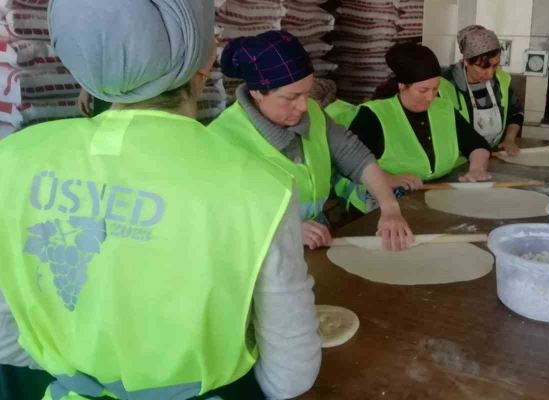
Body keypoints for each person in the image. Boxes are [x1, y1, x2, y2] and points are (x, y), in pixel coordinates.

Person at [0, 1, 320, 399]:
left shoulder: (12, 161)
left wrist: (87, 371)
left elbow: (5, 336)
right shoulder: (261, 187)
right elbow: (290, 374)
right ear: (203, 64)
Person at [209, 31, 413, 251]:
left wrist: (390, 207)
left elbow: (355, 156)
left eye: (306, 94)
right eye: (291, 97)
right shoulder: (222, 138)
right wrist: (284, 229)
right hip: (263, 254)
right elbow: (217, 218)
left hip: (317, 238)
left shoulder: (313, 115)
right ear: (257, 92)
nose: (303, 106)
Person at [340, 43, 492, 212]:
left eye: (435, 89)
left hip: (430, 200)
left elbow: (477, 144)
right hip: (376, 207)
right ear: (402, 85)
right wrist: (387, 179)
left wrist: (477, 169)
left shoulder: (443, 109)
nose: (430, 97)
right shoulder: (375, 115)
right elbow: (346, 162)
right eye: (423, 90)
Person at [439, 25, 525, 155]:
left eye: (495, 65)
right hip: (458, 160)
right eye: (483, 67)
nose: (490, 74)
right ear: (466, 61)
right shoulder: (445, 85)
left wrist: (509, 139)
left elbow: (516, 112)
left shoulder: (501, 80)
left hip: (493, 155)